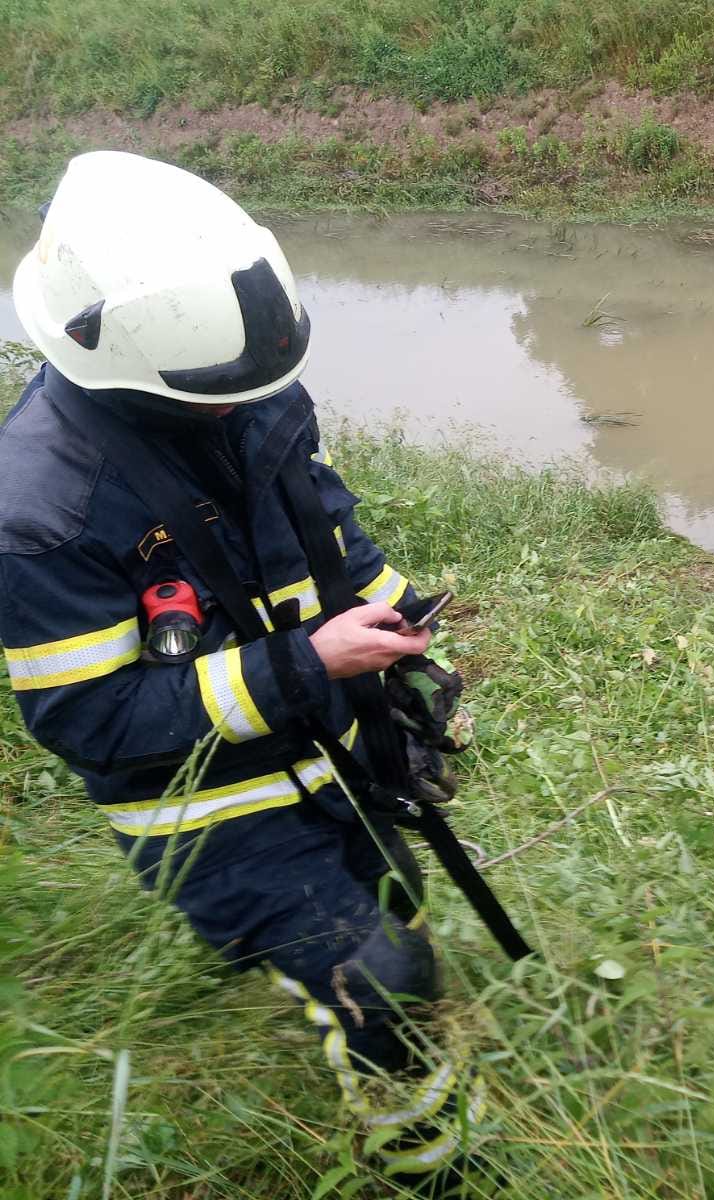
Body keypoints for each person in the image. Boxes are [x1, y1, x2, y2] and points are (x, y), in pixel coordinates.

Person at [0, 151, 478, 1179]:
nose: (244, 408)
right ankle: (428, 1166)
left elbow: (323, 528)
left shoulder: (241, 390)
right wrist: (302, 666)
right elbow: (95, 724)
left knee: (399, 906)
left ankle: (346, 1009)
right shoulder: (40, 514)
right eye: (223, 396)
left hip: (331, 744)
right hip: (205, 810)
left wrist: (394, 618)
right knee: (383, 977)